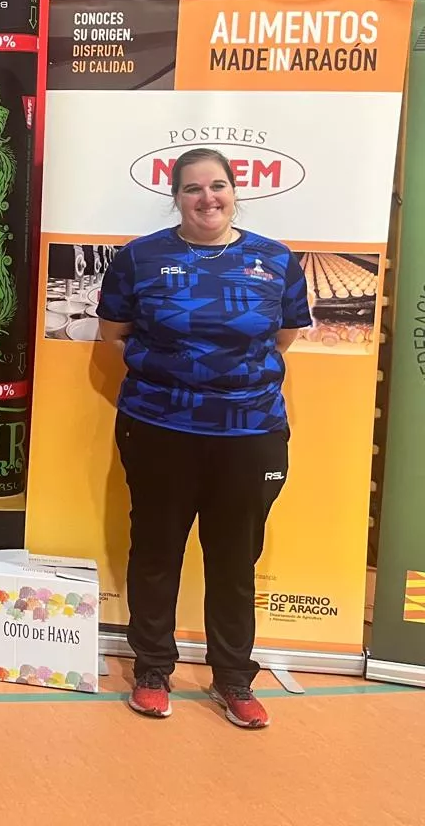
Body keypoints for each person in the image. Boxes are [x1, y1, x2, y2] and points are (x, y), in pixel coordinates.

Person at [96, 147, 311, 730]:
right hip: (160, 429)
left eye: (217, 186)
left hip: (250, 433)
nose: (207, 198)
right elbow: (113, 333)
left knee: (235, 557)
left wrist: (226, 382)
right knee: (157, 550)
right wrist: (172, 375)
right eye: (193, 188)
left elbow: (284, 336)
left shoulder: (273, 259)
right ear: (176, 196)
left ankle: (234, 680)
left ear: (236, 190)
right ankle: (151, 671)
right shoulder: (140, 258)